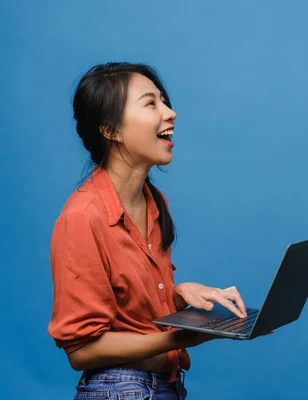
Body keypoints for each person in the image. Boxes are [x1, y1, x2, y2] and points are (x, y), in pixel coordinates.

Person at [48, 62, 249, 400]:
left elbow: (129, 310)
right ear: (111, 130)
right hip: (119, 390)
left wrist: (181, 293)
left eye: (164, 101)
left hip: (164, 387)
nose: (171, 113)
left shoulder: (154, 202)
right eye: (151, 103)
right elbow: (80, 351)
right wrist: (179, 339)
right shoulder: (82, 217)